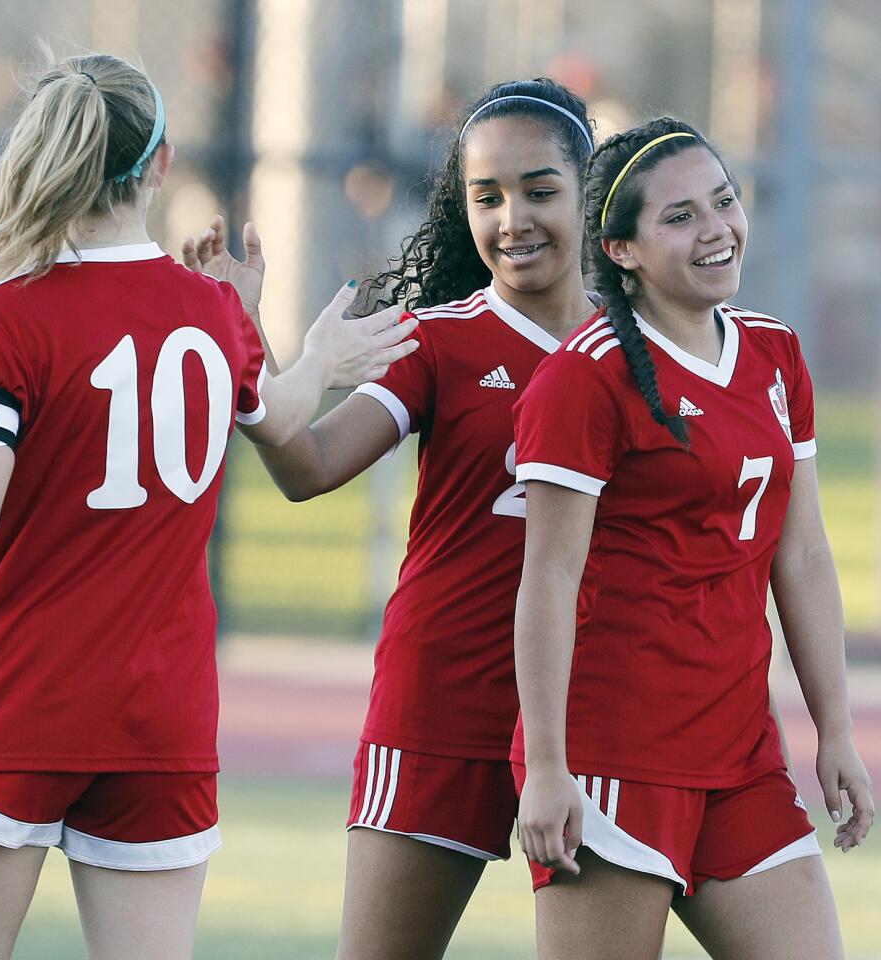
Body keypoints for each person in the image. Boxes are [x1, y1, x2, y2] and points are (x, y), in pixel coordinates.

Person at [0, 52, 416, 960]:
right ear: (162, 163)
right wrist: (319, 356)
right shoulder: (213, 310)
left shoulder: (7, 313)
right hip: (160, 718)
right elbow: (284, 414)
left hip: (17, 705)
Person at [184, 79, 598, 959]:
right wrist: (245, 336)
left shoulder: (639, 348)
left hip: (594, 717)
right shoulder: (437, 339)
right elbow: (310, 467)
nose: (513, 219)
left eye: (539, 190)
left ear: (589, 192)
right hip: (441, 708)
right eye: (486, 198)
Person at [512, 116, 876, 960]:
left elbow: (805, 555)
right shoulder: (586, 374)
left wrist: (837, 729)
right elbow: (549, 579)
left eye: (723, 202)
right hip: (613, 757)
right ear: (623, 249)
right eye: (680, 217)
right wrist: (546, 766)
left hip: (742, 754)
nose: (716, 229)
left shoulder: (776, 354)